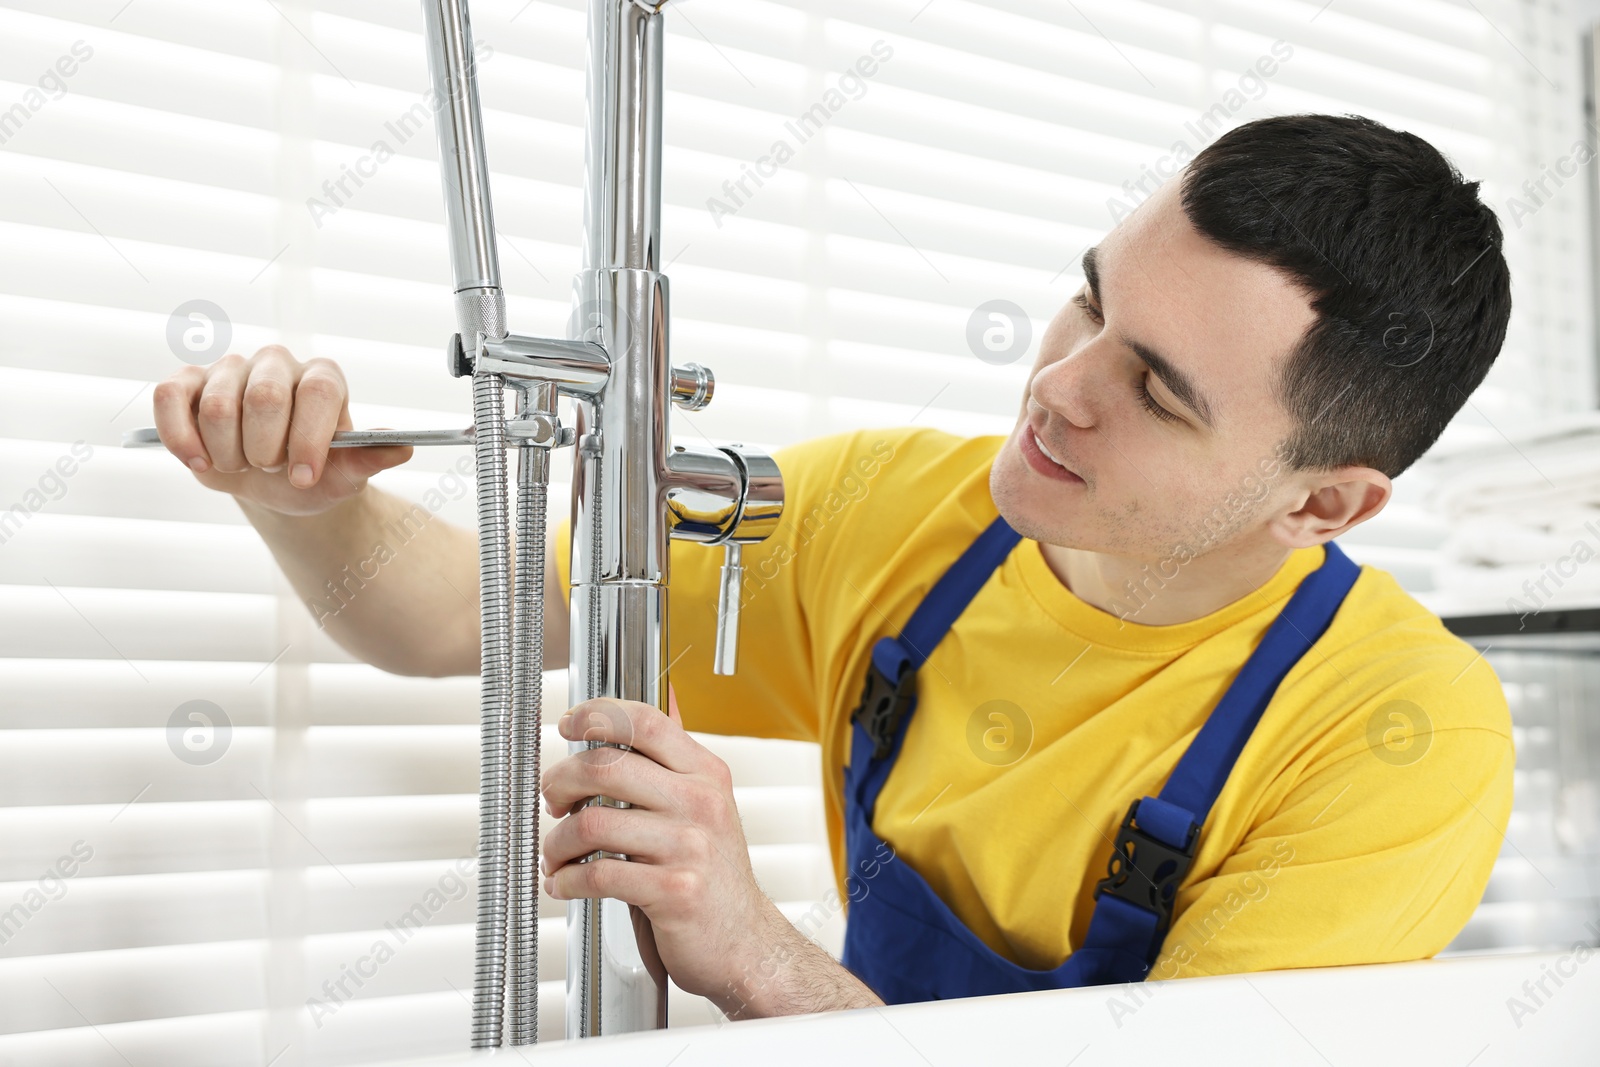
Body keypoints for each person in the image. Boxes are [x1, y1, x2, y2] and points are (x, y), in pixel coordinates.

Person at [150, 113, 1516, 1019]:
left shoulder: (1400, 738)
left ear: (1324, 503)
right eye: (1093, 299)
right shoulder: (894, 514)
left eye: (1157, 391)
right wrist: (300, 501)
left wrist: (752, 952)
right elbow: (458, 613)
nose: (1056, 387)